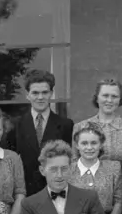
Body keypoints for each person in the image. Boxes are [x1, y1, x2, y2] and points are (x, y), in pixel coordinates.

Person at [5, 69, 74, 197]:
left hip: (56, 192)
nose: (40, 97)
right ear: (27, 95)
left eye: (45, 92)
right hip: (25, 193)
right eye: (35, 93)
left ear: (51, 93)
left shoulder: (66, 125)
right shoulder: (15, 125)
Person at [73, 78, 122, 169]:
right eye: (105, 95)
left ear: (120, 99)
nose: (110, 100)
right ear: (97, 98)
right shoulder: (81, 127)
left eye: (114, 96)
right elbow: (75, 163)